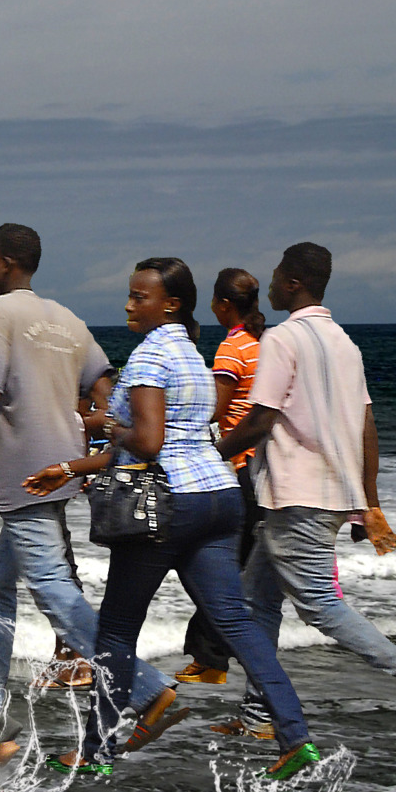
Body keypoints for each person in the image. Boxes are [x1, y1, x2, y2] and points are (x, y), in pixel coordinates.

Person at [27, 258, 312, 778]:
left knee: (114, 633)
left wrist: (111, 430)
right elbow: (178, 438)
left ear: (171, 304)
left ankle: (95, 752)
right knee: (237, 623)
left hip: (167, 506)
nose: (129, 305)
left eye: (139, 297)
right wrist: (70, 466)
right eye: (131, 296)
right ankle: (294, 737)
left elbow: (149, 442)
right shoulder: (194, 359)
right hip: (220, 498)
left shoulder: (150, 356)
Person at [0, 224, 181, 744]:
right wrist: (90, 423)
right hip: (62, 468)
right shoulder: (65, 318)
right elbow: (103, 381)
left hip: (24, 474)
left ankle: (149, 689)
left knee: (52, 589)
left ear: (4, 262)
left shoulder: (1, 314)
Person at [215, 242, 396, 755]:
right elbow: (367, 425)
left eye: (275, 277)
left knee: (320, 606)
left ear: (293, 283)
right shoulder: (344, 342)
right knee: (257, 603)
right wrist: (367, 501)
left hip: (297, 496)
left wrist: (209, 455)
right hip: (326, 494)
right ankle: (257, 717)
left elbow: (261, 418)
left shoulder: (283, 339)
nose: (268, 286)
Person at [179, 267, 266, 683]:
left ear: (223, 305)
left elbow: (217, 411)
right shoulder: (261, 344)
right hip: (261, 465)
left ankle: (211, 659)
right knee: (241, 567)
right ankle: (213, 659)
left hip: (237, 464)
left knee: (214, 561)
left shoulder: (232, 349)